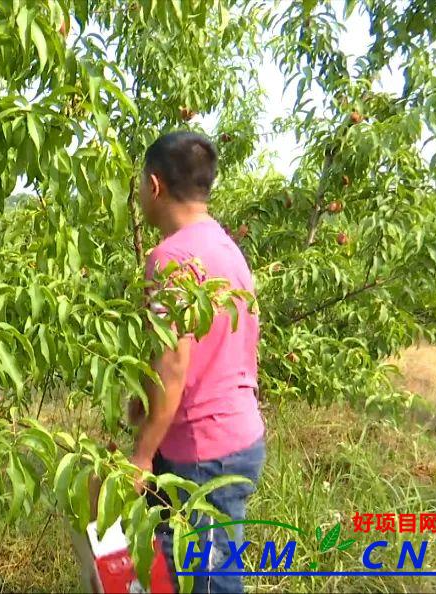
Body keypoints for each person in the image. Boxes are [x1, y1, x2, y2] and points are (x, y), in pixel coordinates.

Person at [129, 131, 266, 593]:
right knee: (202, 570)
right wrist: (143, 402)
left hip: (203, 451)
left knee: (204, 580)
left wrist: (142, 454)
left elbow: (173, 366)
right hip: (237, 435)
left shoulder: (170, 257)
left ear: (154, 185)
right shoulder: (228, 249)